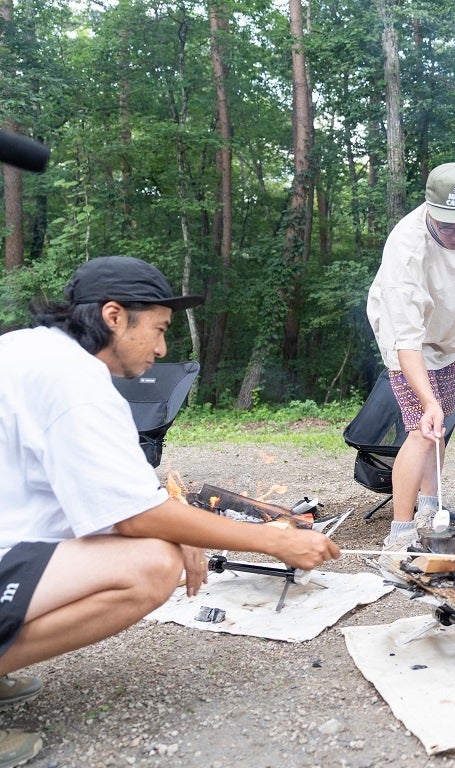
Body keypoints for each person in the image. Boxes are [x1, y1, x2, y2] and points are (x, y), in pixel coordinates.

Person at [0, 255, 340, 765]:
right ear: (114, 316)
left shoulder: (28, 348)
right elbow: (135, 516)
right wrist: (277, 539)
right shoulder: (77, 384)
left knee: (160, 539)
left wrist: (181, 527)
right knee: (152, 567)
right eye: (158, 330)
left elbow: (123, 497)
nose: (161, 349)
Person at [366, 163, 455, 549]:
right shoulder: (406, 251)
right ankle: (401, 531)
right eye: (447, 227)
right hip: (408, 339)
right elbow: (407, 342)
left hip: (450, 334)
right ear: (429, 211)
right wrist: (427, 401)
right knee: (422, 429)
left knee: (442, 426)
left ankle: (429, 506)